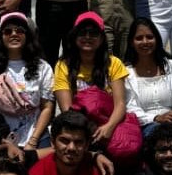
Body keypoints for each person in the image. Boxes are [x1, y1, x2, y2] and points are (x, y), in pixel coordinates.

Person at [53, 12, 130, 154]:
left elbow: (120, 104)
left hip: (109, 124)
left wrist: (109, 127)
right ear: (75, 36)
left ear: (101, 39)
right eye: (82, 33)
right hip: (78, 128)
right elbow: (67, 109)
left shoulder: (114, 63)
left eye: (93, 33)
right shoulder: (63, 65)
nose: (87, 37)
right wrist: (88, 131)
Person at [0, 12, 54, 149]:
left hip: (35, 135)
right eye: (8, 31)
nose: (14, 34)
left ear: (27, 36)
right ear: (0, 37)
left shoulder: (43, 67)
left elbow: (47, 108)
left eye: (20, 31)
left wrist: (33, 141)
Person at [123, 18, 172, 137]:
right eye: (139, 38)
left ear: (157, 39)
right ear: (131, 42)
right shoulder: (126, 73)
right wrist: (156, 118)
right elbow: (130, 108)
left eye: (150, 37)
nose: (145, 42)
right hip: (144, 128)